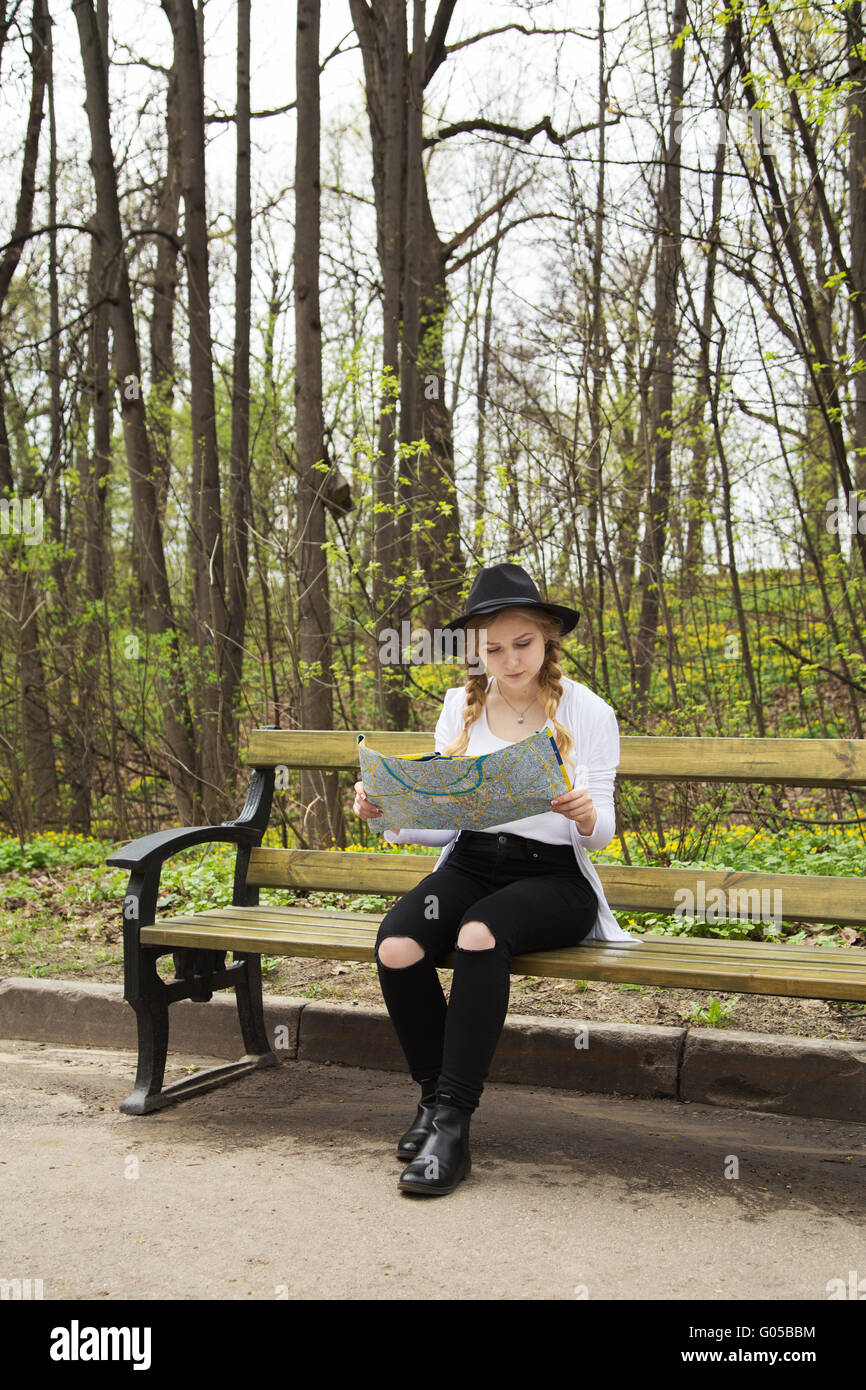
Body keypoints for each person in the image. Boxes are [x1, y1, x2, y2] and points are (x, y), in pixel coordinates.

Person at [352, 562, 634, 1197]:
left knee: (480, 934)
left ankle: (453, 1123)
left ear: (547, 639)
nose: (510, 660)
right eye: (494, 648)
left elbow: (600, 834)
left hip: (554, 880)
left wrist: (587, 814)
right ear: (476, 651)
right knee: (398, 943)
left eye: (523, 644)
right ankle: (432, 1098)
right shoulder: (461, 706)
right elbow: (442, 825)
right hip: (473, 862)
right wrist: (388, 812)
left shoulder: (588, 711)